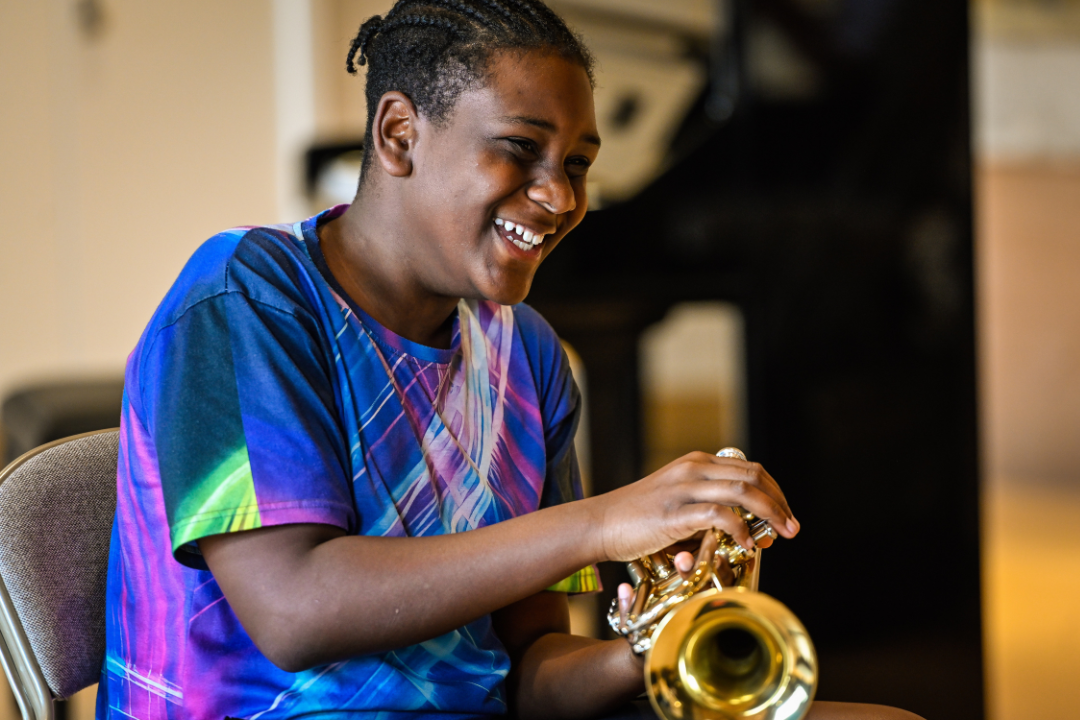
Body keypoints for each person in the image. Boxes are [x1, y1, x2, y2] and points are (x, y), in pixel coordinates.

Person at [97, 2, 924, 719]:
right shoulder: (247, 296)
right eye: (519, 148)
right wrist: (597, 523)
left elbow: (526, 681)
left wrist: (655, 650)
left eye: (577, 164)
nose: (560, 196)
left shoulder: (526, 354)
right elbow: (295, 611)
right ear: (398, 133)